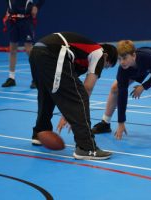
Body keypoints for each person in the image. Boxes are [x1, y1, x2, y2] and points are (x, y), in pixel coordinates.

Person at [29, 32, 118, 160]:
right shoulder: (99, 53)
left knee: (47, 94)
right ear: (106, 57)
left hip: (36, 50)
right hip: (53, 51)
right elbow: (87, 88)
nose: (102, 68)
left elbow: (64, 91)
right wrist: (70, 115)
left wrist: (68, 114)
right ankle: (86, 148)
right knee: (80, 96)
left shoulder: (80, 58)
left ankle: (40, 132)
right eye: (106, 66)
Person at [92, 40, 151, 144]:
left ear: (133, 55)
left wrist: (143, 86)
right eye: (119, 59)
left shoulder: (148, 57)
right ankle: (105, 123)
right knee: (115, 88)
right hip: (137, 68)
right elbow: (123, 94)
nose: (122, 62)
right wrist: (121, 122)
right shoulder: (123, 69)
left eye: (124, 58)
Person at [1, 0, 45, 89]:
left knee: (29, 50)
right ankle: (11, 78)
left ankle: (36, 78)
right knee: (12, 49)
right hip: (13, 20)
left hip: (26, 20)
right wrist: (8, 8)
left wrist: (37, 6)